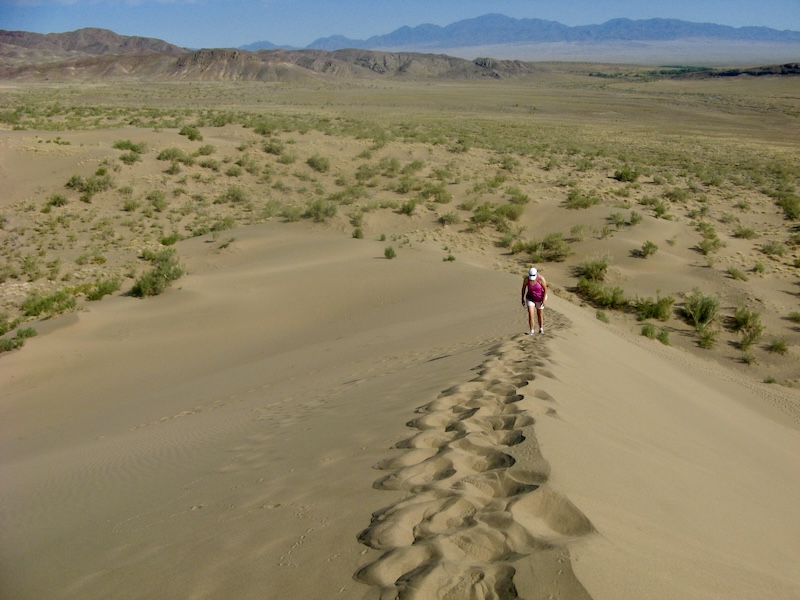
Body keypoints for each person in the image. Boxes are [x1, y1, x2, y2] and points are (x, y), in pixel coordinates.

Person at [521, 267, 547, 334]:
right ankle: (531, 331)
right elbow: (523, 288)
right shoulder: (526, 279)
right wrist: (522, 298)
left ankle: (541, 329)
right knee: (531, 313)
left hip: (540, 298)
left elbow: (545, 289)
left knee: (539, 314)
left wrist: (544, 300)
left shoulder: (541, 279)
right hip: (530, 298)